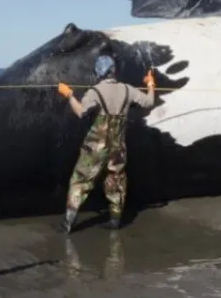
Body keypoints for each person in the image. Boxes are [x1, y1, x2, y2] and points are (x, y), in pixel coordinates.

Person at [56, 54, 155, 234]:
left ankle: (68, 224)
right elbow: (149, 102)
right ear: (113, 71)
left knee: (80, 180)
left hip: (95, 147)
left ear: (98, 72)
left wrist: (69, 94)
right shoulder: (128, 89)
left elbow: (81, 112)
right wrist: (150, 83)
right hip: (118, 146)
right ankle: (115, 221)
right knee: (115, 180)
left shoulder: (95, 92)